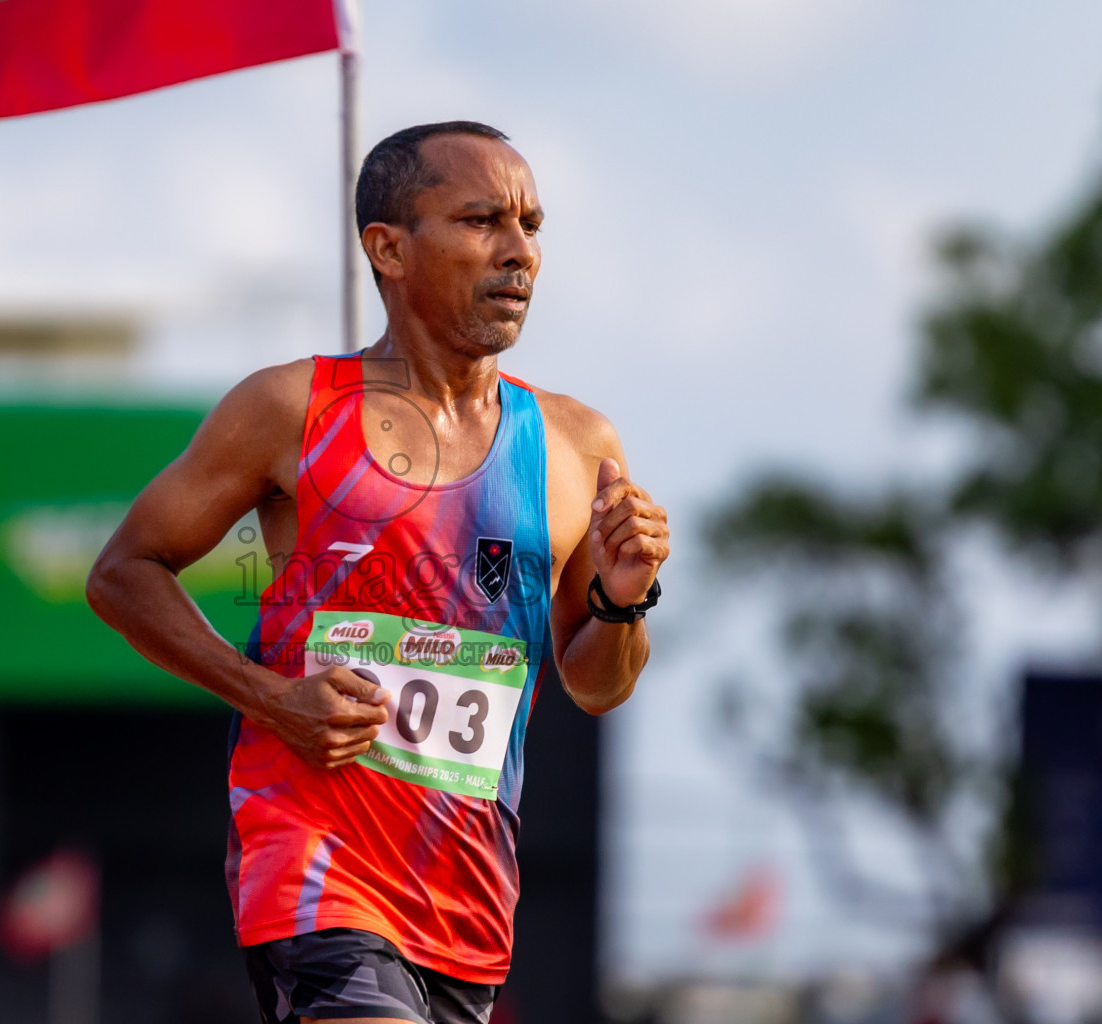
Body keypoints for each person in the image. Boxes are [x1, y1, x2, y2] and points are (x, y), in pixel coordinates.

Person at [87, 121, 670, 1024]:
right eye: (483, 221)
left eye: (532, 225)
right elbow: (123, 571)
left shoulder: (575, 443)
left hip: (467, 899)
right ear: (388, 249)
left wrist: (622, 600)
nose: (521, 254)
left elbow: (595, 684)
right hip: (315, 864)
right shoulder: (290, 408)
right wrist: (273, 698)